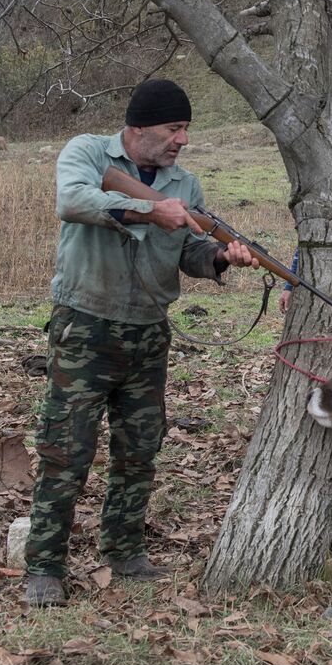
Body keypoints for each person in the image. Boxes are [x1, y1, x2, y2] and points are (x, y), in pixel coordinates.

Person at [23, 78, 259, 608]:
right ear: (137, 129)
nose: (182, 140)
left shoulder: (187, 185)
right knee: (67, 448)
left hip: (149, 333)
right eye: (174, 129)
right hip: (85, 324)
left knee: (139, 448)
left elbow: (191, 255)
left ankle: (124, 551)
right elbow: (74, 201)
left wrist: (222, 258)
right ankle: (44, 565)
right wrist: (151, 210)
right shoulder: (88, 152)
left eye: (186, 130)